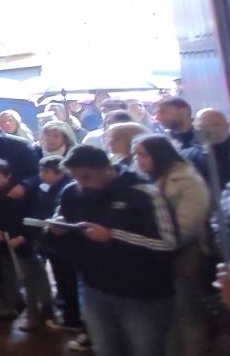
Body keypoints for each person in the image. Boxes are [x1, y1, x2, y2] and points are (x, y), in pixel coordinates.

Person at [46, 145, 177, 356]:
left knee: (146, 349)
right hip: (94, 287)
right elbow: (64, 219)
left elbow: (168, 243)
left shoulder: (143, 193)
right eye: (76, 178)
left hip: (142, 293)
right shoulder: (72, 192)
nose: (81, 184)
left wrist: (113, 235)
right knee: (106, 349)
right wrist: (58, 227)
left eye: (86, 177)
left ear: (107, 169)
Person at [132, 135, 210, 356]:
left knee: (187, 314)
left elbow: (189, 224)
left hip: (182, 256)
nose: (139, 160)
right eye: (137, 155)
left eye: (144, 155)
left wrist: (153, 243)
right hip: (151, 257)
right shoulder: (140, 178)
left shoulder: (187, 180)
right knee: (164, 316)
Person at [0, 160, 52, 329]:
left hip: (22, 241)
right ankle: (12, 305)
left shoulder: (23, 192)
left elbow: (35, 217)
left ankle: (38, 310)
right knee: (7, 273)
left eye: (0, 174)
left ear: (9, 175)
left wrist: (23, 237)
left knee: (29, 276)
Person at [34, 156, 83, 332]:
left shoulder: (67, 189)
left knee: (68, 282)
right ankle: (68, 313)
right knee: (63, 281)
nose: (41, 175)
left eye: (45, 171)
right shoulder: (51, 187)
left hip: (65, 244)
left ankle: (73, 319)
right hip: (54, 242)